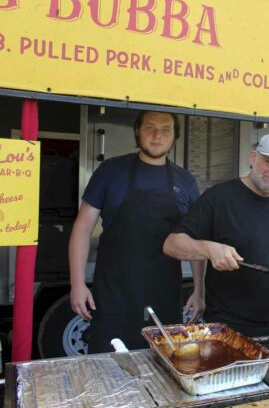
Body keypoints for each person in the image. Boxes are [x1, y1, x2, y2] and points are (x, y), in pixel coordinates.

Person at [163, 132, 269, 337]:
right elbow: (172, 244)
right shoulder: (219, 197)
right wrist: (209, 248)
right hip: (227, 328)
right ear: (253, 158)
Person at [69, 110, 205, 353]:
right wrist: (77, 284)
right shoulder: (111, 171)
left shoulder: (186, 181)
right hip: (114, 293)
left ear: (174, 136)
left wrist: (199, 290)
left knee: (164, 366)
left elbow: (196, 241)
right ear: (137, 131)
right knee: (109, 367)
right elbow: (82, 228)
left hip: (165, 292)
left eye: (165, 130)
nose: (157, 136)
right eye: (149, 128)